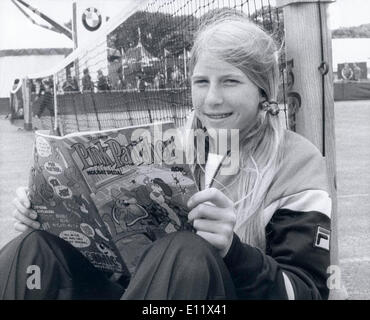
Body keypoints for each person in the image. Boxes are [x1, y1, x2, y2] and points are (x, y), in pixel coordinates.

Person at [1, 9, 331, 300]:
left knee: (186, 252)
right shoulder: (168, 147)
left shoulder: (296, 162)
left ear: (263, 91)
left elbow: (308, 292)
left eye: (230, 81)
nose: (212, 98)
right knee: (33, 248)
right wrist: (53, 216)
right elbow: (120, 270)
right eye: (201, 81)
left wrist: (234, 252)